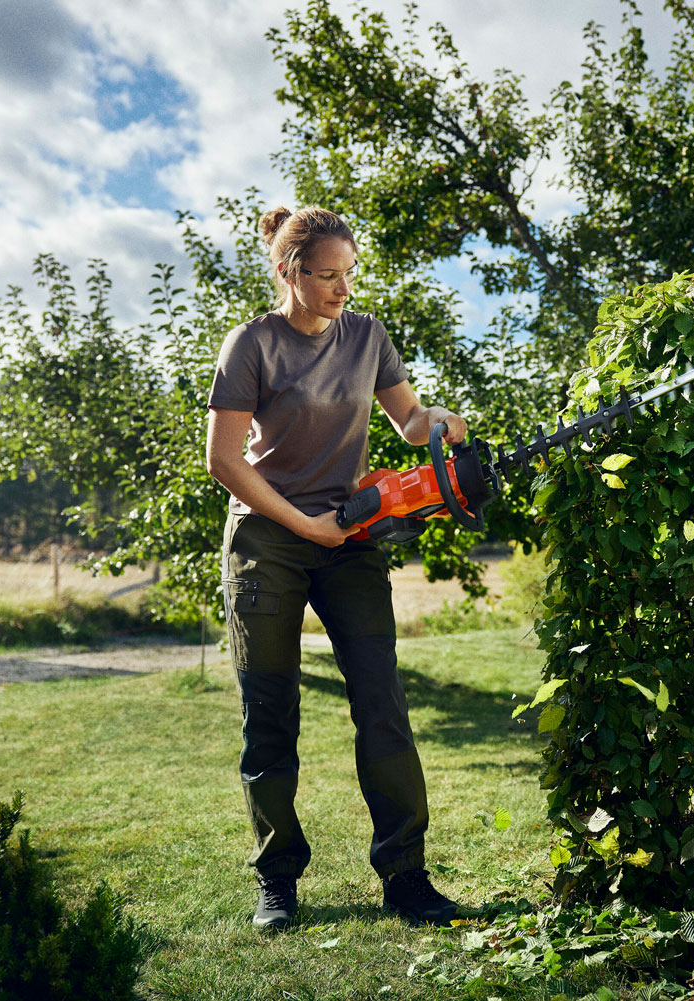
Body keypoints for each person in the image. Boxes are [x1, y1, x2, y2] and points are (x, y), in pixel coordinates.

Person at [205, 205, 466, 932]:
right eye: (327, 276)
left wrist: (437, 420)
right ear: (289, 272)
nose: (342, 289)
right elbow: (224, 461)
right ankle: (278, 877)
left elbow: (407, 420)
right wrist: (300, 522)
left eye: (350, 273)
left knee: (382, 702)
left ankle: (406, 875)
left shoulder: (367, 336)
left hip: (349, 536)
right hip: (268, 536)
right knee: (271, 711)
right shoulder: (251, 345)